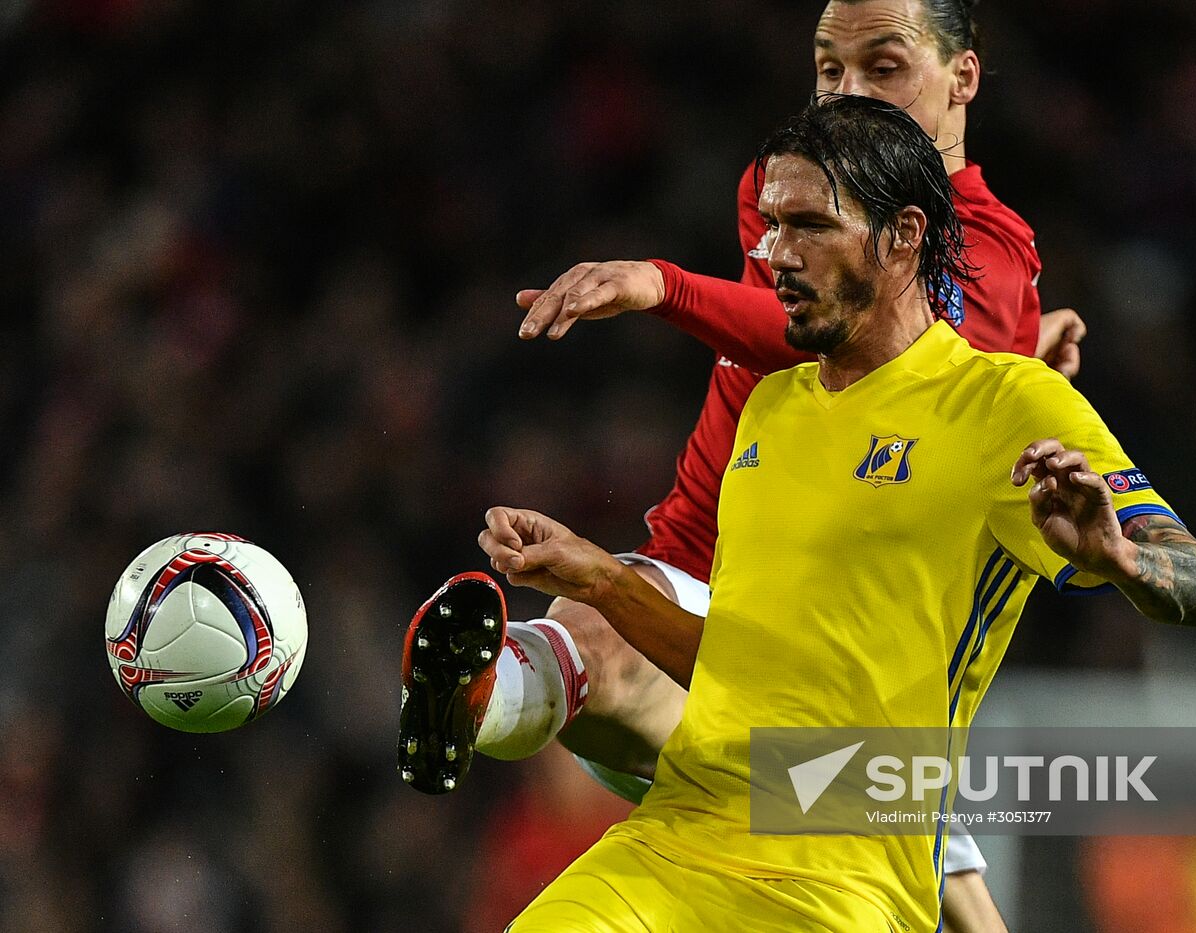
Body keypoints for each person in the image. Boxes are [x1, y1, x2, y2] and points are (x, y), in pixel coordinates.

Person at [473, 94, 1196, 931]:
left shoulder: (1005, 403)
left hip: (843, 882)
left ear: (904, 235)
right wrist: (602, 579)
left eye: (810, 226)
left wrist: (1122, 560)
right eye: (770, 226)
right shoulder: (770, 409)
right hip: (675, 838)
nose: (777, 257)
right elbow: (743, 678)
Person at [402, 2, 1078, 927]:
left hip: (836, 672)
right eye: (827, 69)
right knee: (596, 626)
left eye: (884, 68)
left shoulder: (988, 248)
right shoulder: (777, 183)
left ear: (963, 78)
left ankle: (500, 691)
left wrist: (662, 285)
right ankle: (470, 698)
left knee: (919, 852)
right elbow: (825, 339)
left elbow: (852, 339)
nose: (849, 93)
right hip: (699, 582)